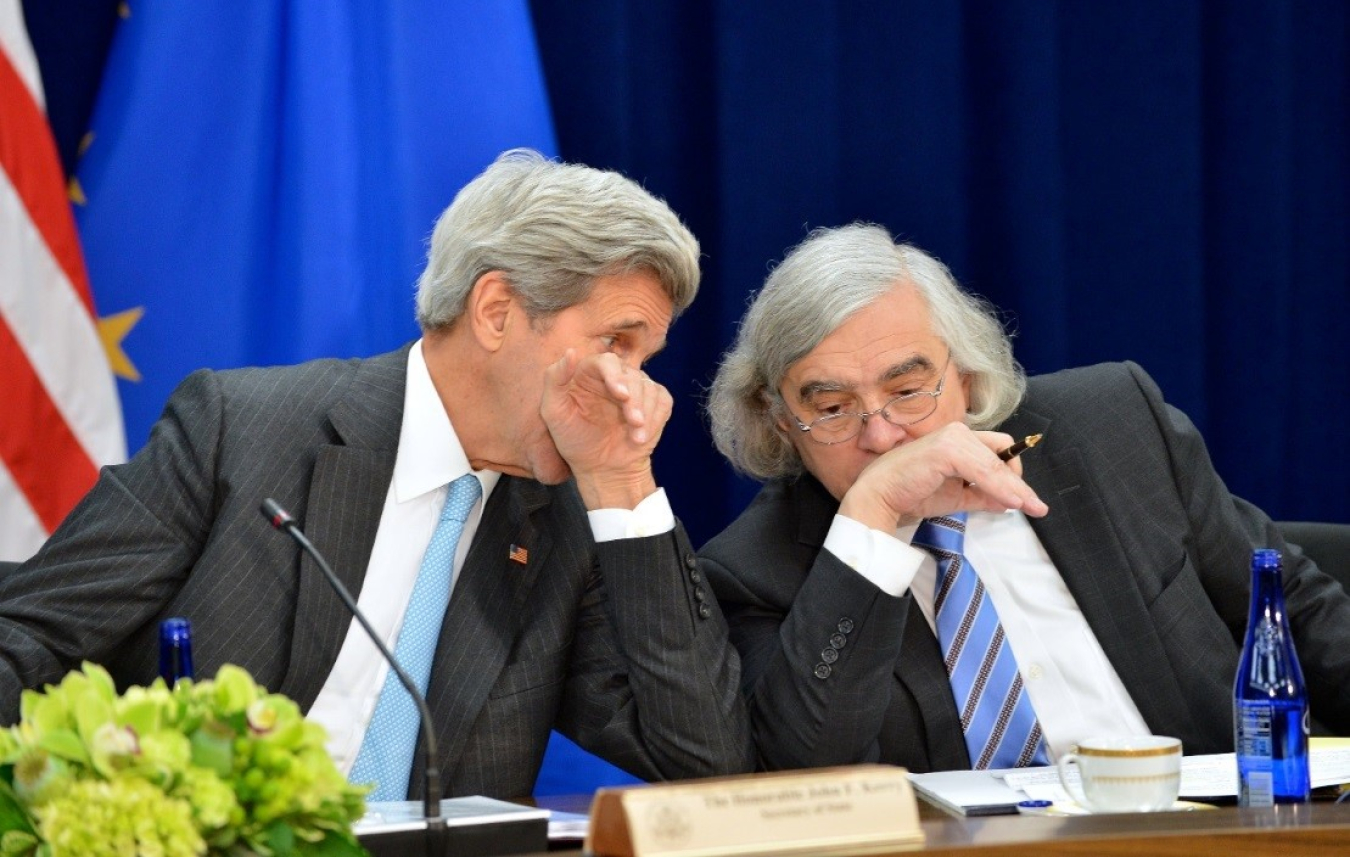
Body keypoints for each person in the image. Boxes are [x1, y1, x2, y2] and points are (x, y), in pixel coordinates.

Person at [0, 149, 752, 798]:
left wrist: (623, 483)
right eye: (615, 344)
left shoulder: (573, 520)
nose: (635, 392)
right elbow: (22, 639)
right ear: (495, 310)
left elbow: (702, 758)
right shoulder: (240, 429)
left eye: (644, 359)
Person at [700, 222, 1350, 773]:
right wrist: (875, 516)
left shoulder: (1111, 427)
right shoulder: (753, 572)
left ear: (966, 369)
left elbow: (1295, 611)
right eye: (835, 407)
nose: (882, 434)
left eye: (906, 389)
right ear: (782, 419)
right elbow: (805, 775)